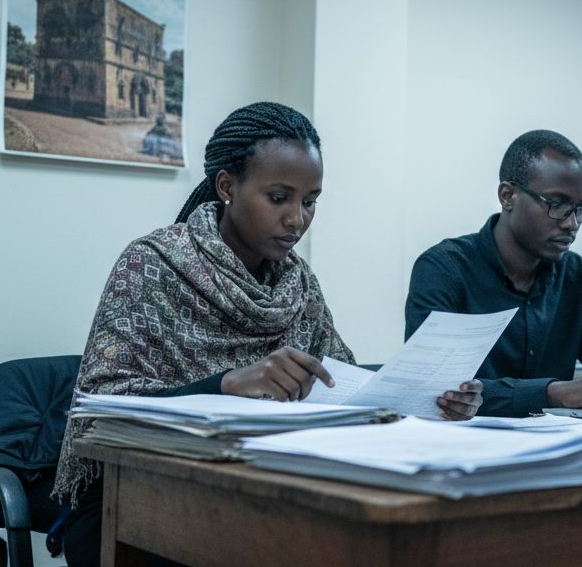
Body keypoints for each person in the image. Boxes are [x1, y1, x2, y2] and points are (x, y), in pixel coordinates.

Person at [54, 102, 482, 566]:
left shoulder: (297, 284)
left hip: (260, 490)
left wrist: (425, 401)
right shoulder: (153, 264)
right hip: (138, 498)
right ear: (227, 186)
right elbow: (100, 407)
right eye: (279, 198)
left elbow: (344, 389)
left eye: (310, 201)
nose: (297, 218)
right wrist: (225, 385)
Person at [404, 129, 582, 418]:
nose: (572, 224)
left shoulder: (575, 276)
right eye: (557, 204)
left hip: (556, 449)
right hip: (465, 452)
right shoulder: (444, 269)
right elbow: (434, 387)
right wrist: (556, 393)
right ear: (508, 195)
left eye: (581, 208)